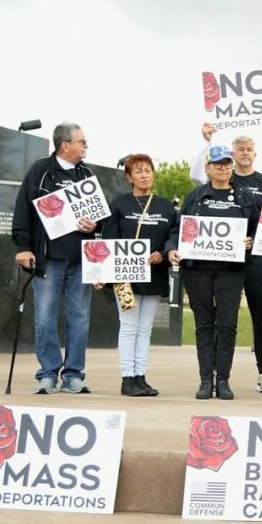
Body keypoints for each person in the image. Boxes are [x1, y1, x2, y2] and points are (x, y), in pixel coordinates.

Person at [191, 124, 262, 394]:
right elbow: (197, 174)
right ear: (231, 154)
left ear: (255, 154)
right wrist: (206, 142)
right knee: (220, 317)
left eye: (249, 149)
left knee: (259, 312)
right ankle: (214, 372)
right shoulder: (222, 181)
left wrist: (261, 244)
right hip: (221, 260)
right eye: (239, 149)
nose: (244, 153)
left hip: (256, 256)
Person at [12, 122, 97, 394]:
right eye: (82, 142)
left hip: (81, 260)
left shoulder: (87, 174)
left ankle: (73, 375)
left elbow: (100, 216)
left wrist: (94, 225)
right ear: (65, 145)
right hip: (48, 259)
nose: (85, 146)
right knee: (45, 317)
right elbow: (23, 209)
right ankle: (47, 374)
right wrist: (23, 247)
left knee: (80, 318)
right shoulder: (40, 170)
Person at [166, 146, 258, 400]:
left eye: (227, 164)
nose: (223, 168)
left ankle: (224, 380)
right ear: (207, 168)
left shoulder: (245, 197)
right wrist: (173, 249)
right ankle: (206, 379)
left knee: (227, 325)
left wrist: (251, 240)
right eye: (218, 164)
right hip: (198, 271)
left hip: (231, 271)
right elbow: (179, 230)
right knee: (204, 325)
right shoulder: (195, 197)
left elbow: (259, 229)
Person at [101, 154, 179, 397]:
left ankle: (141, 377)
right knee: (128, 327)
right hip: (124, 277)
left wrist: (164, 255)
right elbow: (108, 241)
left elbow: (173, 236)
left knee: (145, 329)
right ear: (129, 177)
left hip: (154, 275)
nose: (144, 174)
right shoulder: (119, 204)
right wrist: (102, 272)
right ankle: (127, 379)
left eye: (148, 170)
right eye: (138, 171)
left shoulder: (166, 206)